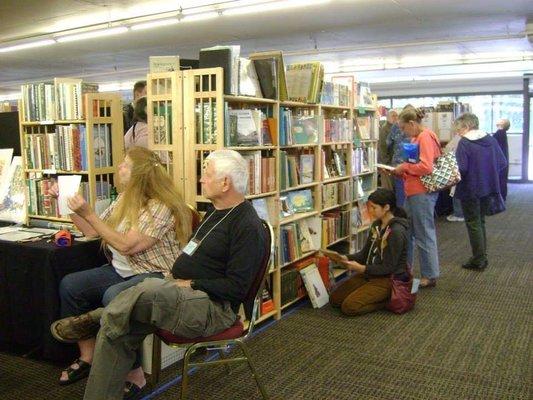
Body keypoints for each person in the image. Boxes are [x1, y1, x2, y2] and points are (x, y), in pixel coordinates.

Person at [51, 149, 267, 400]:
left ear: (225, 182)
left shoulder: (247, 225)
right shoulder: (216, 213)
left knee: (149, 288)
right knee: (117, 330)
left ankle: (99, 316)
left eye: (206, 174)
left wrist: (191, 282)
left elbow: (237, 288)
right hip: (182, 296)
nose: (201, 179)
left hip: (213, 309)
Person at [50, 147, 191, 389]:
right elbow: (92, 231)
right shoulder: (125, 198)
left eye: (125, 164)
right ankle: (89, 356)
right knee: (71, 285)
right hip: (122, 270)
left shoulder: (160, 205)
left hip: (156, 274)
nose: (119, 168)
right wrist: (69, 205)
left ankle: (135, 371)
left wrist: (89, 213)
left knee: (116, 296)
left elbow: (126, 246)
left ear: (139, 174)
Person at [328, 188, 409, 316]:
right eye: (369, 207)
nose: (370, 211)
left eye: (374, 208)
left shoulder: (396, 231)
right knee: (334, 300)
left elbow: (389, 267)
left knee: (349, 307)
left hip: (388, 279)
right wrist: (344, 257)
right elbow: (364, 254)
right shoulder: (377, 225)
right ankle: (373, 293)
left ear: (386, 207)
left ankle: (387, 300)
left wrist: (362, 269)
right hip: (371, 273)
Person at [393, 107, 441, 288]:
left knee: (423, 233)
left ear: (412, 124)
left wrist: (404, 167)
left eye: (404, 128)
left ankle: (430, 275)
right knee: (409, 232)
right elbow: (415, 165)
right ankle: (407, 270)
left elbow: (426, 167)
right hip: (413, 191)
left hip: (421, 192)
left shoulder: (425, 137)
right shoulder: (417, 137)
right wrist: (403, 171)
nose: (403, 132)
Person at [454, 113, 507, 270]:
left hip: (470, 188)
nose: (458, 132)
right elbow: (502, 162)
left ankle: (479, 259)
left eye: (459, 129)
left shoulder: (464, 143)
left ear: (467, 126)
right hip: (488, 187)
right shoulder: (490, 140)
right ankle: (482, 256)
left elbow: (461, 168)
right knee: (480, 221)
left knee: (473, 222)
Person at [386, 107, 411, 207]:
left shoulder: (396, 126)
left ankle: (401, 215)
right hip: (412, 163)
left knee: (400, 191)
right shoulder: (417, 129)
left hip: (398, 162)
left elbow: (388, 142)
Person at [444, 132, 464, 222]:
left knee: (455, 191)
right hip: (464, 169)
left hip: (456, 167)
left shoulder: (459, 137)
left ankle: (458, 213)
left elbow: (448, 149)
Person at [378, 110, 397, 190]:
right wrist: (386, 164)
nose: (396, 118)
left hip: (392, 164)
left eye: (396, 116)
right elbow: (383, 147)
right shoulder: (385, 129)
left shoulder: (395, 128)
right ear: (388, 117)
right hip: (387, 164)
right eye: (393, 116)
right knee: (388, 188)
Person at [493, 118, 510, 201]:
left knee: (500, 178)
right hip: (503, 158)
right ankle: (502, 196)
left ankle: (500, 197)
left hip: (499, 159)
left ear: (502, 124)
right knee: (502, 178)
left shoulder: (499, 133)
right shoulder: (502, 133)